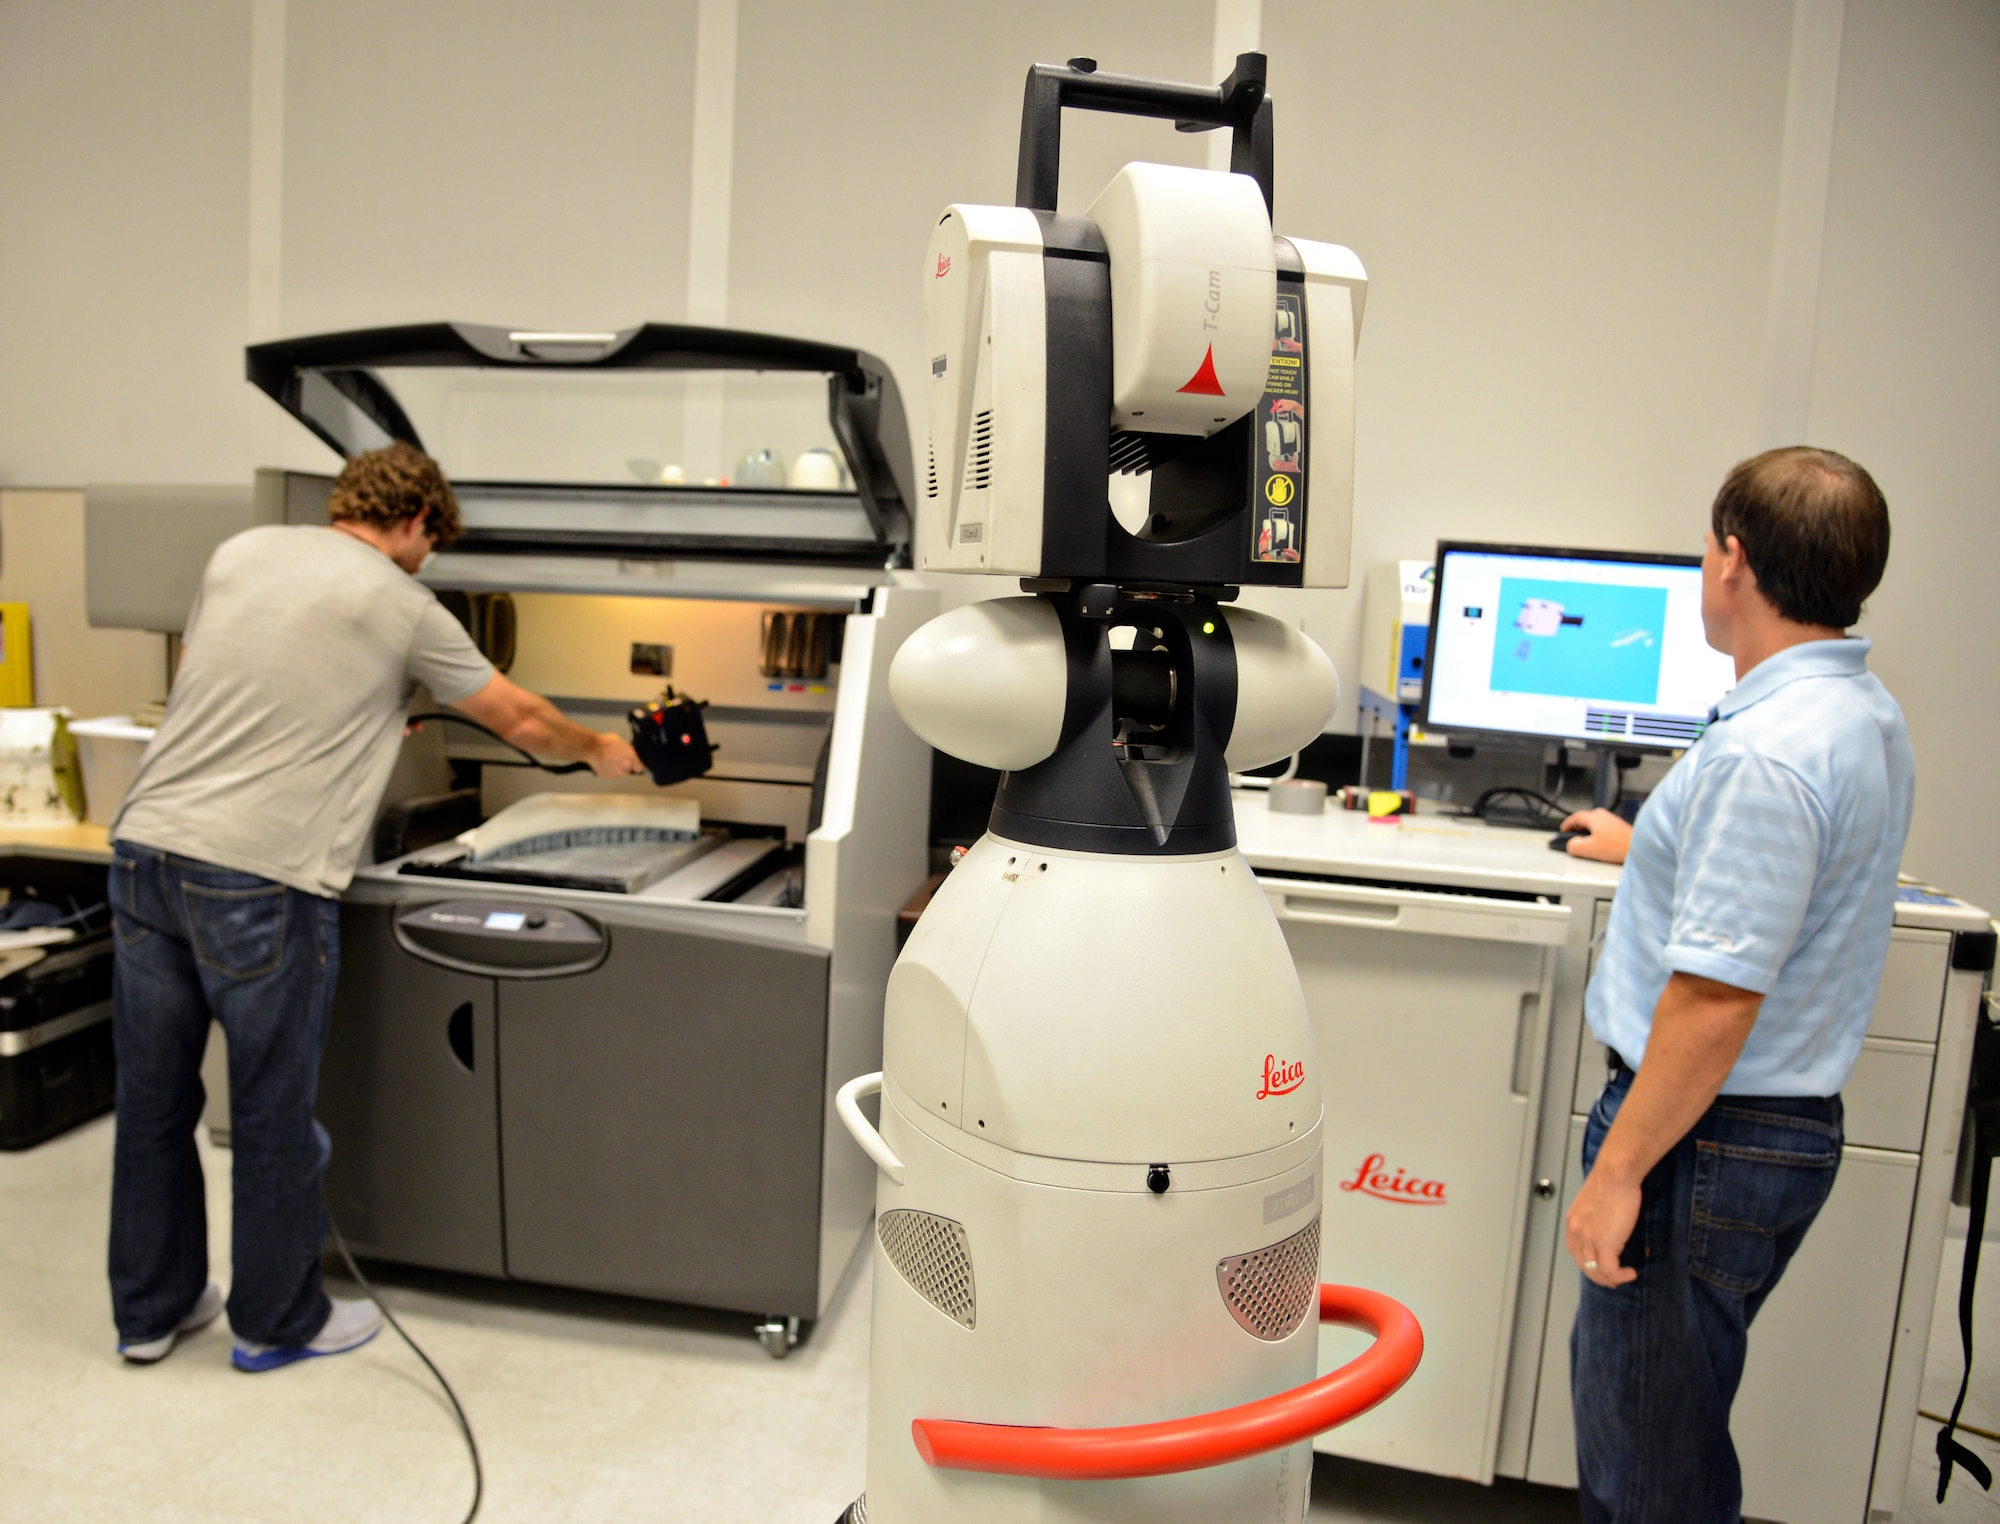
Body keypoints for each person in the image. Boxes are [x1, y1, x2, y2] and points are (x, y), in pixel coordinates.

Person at [106, 442, 642, 1371]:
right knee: (274, 1113)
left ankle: (151, 1314)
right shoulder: (401, 604)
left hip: (147, 852)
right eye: (431, 546)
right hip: (261, 878)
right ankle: (278, 1322)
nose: (426, 562)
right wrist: (600, 746)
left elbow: (219, 677)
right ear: (417, 522)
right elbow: (516, 718)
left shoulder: (240, 554)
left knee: (154, 1102)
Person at [1556, 446, 1911, 1520]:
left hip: (1697, 1139)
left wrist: (1616, 1174)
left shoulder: (1766, 754)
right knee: (1669, 1427)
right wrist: (1650, 844)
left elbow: (1712, 1002)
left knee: (1648, 1473)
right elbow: (1775, 876)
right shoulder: (1852, 710)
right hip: (1756, 1135)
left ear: (1731, 560)